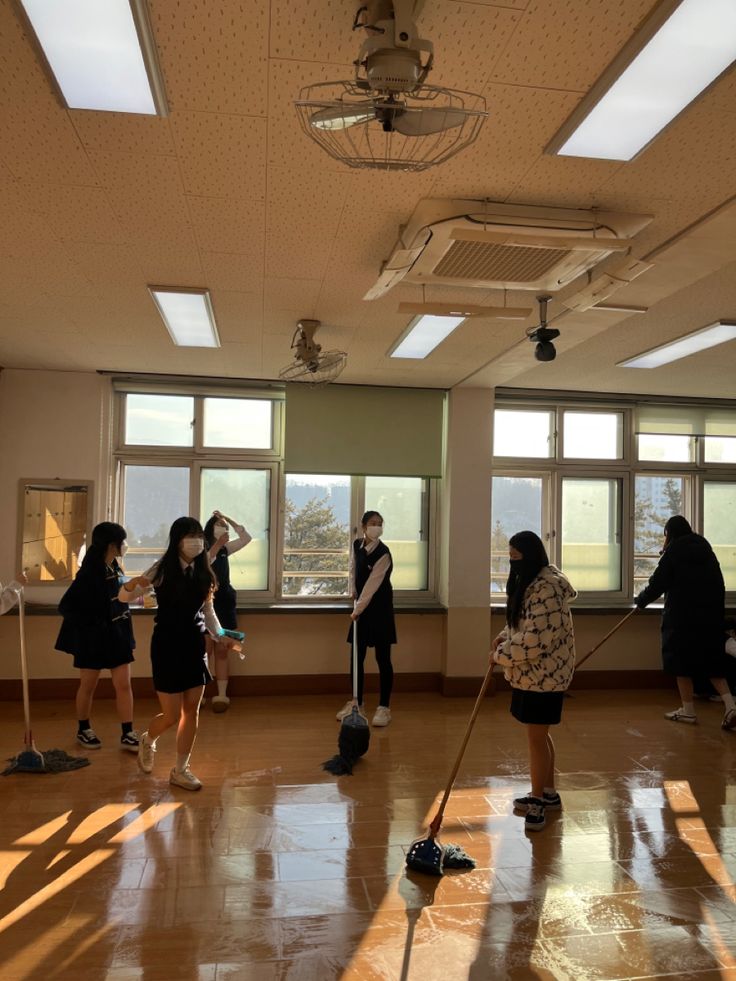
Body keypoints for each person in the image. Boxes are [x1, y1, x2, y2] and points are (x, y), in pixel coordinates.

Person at [121, 517, 239, 791]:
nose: (196, 540)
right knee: (171, 715)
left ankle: (181, 769)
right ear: (177, 539)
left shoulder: (204, 570)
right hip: (166, 645)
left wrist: (221, 636)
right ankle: (148, 739)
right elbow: (125, 598)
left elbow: (208, 611)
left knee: (191, 712)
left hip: (194, 646)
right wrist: (129, 585)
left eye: (199, 535)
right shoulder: (161, 569)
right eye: (190, 535)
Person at [491, 531, 577, 832]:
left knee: (536, 738)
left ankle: (538, 800)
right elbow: (523, 620)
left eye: (516, 558)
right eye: (510, 558)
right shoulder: (532, 580)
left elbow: (535, 639)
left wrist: (502, 655)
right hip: (533, 674)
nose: (513, 564)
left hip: (545, 673)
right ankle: (549, 792)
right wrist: (504, 636)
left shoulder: (548, 588)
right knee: (539, 735)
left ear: (530, 556)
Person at [635, 515, 735, 729]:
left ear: (669, 533)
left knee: (681, 662)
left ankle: (688, 710)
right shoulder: (706, 549)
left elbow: (658, 583)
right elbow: (720, 583)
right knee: (712, 660)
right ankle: (730, 705)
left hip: (682, 618)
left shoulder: (673, 552)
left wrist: (641, 601)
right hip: (710, 616)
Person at [55, 522, 140, 751]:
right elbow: (66, 606)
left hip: (117, 636)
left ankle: (127, 732)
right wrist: (93, 624)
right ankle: (84, 729)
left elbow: (117, 597)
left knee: (124, 684)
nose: (124, 546)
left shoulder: (113, 566)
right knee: (88, 686)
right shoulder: (89, 573)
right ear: (112, 545)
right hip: (93, 640)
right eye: (122, 542)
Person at [336, 510, 396, 728]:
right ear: (363, 526)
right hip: (361, 609)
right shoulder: (356, 545)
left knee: (383, 658)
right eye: (372, 523)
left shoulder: (384, 553)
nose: (377, 527)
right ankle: (357, 703)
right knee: (356, 657)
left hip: (379, 610)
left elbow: (372, 585)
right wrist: (352, 592)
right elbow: (353, 570)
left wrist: (357, 609)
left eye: (380, 523)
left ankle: (384, 707)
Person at [203, 510, 251, 712]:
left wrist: (230, 519)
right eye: (220, 525)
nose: (225, 528)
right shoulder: (203, 548)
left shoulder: (225, 549)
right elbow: (206, 560)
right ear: (211, 529)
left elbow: (246, 538)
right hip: (206, 603)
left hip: (226, 603)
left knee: (223, 649)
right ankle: (201, 694)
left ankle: (221, 695)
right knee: (204, 651)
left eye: (226, 526)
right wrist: (217, 544)